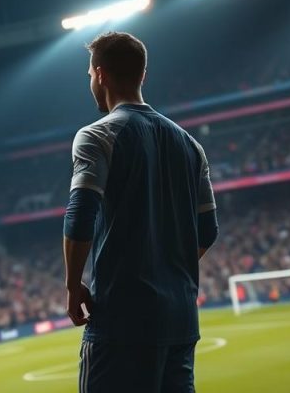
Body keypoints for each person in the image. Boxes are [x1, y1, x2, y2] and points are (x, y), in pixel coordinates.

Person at [62, 32, 218, 393]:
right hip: (180, 320)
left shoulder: (97, 136)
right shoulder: (191, 145)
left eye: (89, 75)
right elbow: (207, 230)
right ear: (142, 76)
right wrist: (166, 267)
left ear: (100, 74)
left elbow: (81, 214)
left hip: (121, 319)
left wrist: (73, 286)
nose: (90, 82)